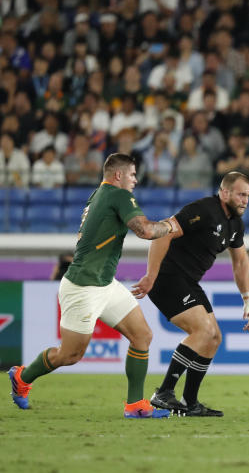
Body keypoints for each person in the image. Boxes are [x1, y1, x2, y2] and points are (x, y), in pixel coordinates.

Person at [8, 153, 180, 418]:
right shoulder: (118, 195)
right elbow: (145, 231)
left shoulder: (97, 195)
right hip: (83, 286)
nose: (135, 180)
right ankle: (22, 376)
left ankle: (135, 405)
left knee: (142, 336)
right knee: (70, 355)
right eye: (132, 174)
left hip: (104, 284)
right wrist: (171, 225)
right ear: (118, 175)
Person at [131, 171, 249, 417]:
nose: (245, 200)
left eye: (248, 196)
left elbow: (241, 262)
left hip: (188, 282)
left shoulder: (235, 224)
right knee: (203, 331)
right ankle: (164, 392)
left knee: (214, 338)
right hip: (168, 279)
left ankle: (190, 402)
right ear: (225, 192)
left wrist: (247, 299)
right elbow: (163, 232)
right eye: (241, 194)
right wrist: (151, 275)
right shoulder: (205, 210)